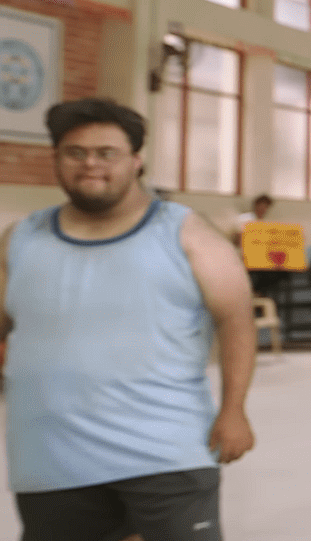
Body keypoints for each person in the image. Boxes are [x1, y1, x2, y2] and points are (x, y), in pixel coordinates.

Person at [3, 98, 256, 539]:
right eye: (75, 152)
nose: (90, 164)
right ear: (56, 160)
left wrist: (234, 409)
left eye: (106, 153)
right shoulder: (21, 239)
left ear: (136, 161)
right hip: (49, 458)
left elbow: (236, 320)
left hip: (165, 453)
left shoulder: (186, 233)